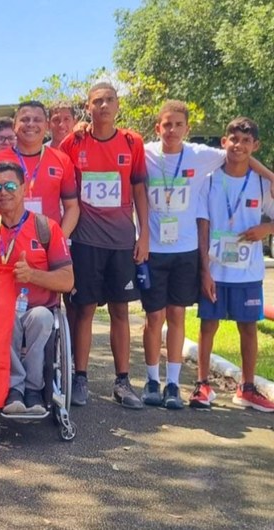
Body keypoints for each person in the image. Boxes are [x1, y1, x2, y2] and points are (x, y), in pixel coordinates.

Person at [140, 101, 274, 409]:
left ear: (187, 129)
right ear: (158, 127)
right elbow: (203, 221)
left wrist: (267, 223)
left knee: (228, 324)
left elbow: (240, 158)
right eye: (166, 124)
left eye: (178, 125)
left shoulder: (209, 160)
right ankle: (173, 382)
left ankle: (195, 385)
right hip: (179, 257)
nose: (172, 130)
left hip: (220, 262)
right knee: (173, 320)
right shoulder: (155, 156)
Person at [59, 82, 149, 409]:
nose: (104, 106)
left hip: (121, 242)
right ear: (89, 106)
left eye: (109, 100)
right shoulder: (75, 141)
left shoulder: (131, 142)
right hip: (85, 240)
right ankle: (80, 378)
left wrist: (145, 235)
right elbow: (57, 169)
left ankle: (123, 382)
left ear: (117, 105)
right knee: (84, 309)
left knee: (120, 310)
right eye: (97, 101)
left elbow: (139, 189)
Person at [0, 161, 73, 413]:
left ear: (24, 189)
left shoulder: (46, 228)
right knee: (4, 317)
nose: (4, 192)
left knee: (41, 317)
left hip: (38, 308)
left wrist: (32, 275)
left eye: (11, 185)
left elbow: (67, 281)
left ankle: (34, 390)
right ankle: (14, 389)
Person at [195, 117, 274, 413]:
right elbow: (202, 227)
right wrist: (204, 270)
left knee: (248, 327)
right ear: (223, 142)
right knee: (208, 325)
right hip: (215, 267)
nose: (239, 145)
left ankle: (248, 387)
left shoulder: (262, 184)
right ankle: (202, 383)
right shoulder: (210, 180)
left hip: (248, 270)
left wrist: (267, 230)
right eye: (233, 139)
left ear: (255, 145)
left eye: (246, 140)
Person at [0, 101, 80, 238]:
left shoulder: (62, 160)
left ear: (46, 126)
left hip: (47, 242)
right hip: (7, 243)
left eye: (37, 120)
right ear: (15, 126)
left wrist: (60, 239)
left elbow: (72, 207)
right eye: (25, 119)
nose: (31, 124)